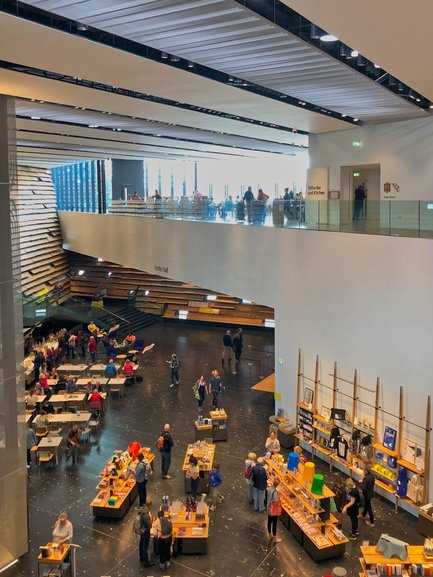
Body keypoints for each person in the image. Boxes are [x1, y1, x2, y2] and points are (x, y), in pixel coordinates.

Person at [136, 503, 153, 568]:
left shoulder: (140, 512)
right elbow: (149, 526)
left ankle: (141, 557)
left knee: (141, 543)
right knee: (145, 546)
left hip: (141, 530)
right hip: (146, 531)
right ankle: (146, 562)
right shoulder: (146, 515)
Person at [267, 478, 282, 543]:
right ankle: (275, 538)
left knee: (269, 522)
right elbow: (275, 502)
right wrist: (279, 497)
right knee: (274, 524)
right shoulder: (275, 492)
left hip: (268, 508)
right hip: (273, 510)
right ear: (277, 484)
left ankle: (270, 535)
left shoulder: (269, 488)